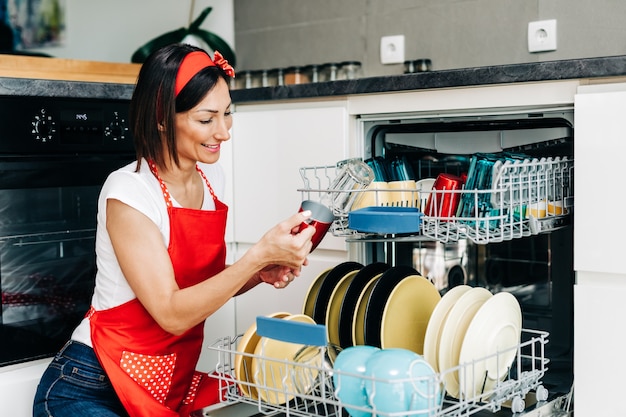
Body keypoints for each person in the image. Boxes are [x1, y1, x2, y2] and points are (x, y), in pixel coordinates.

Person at [33, 43, 316, 417]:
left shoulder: (211, 176)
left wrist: (258, 272)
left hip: (164, 383)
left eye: (227, 114)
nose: (223, 132)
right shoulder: (129, 192)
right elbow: (171, 311)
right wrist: (255, 257)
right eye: (206, 119)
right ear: (163, 118)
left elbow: (196, 285)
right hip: (89, 385)